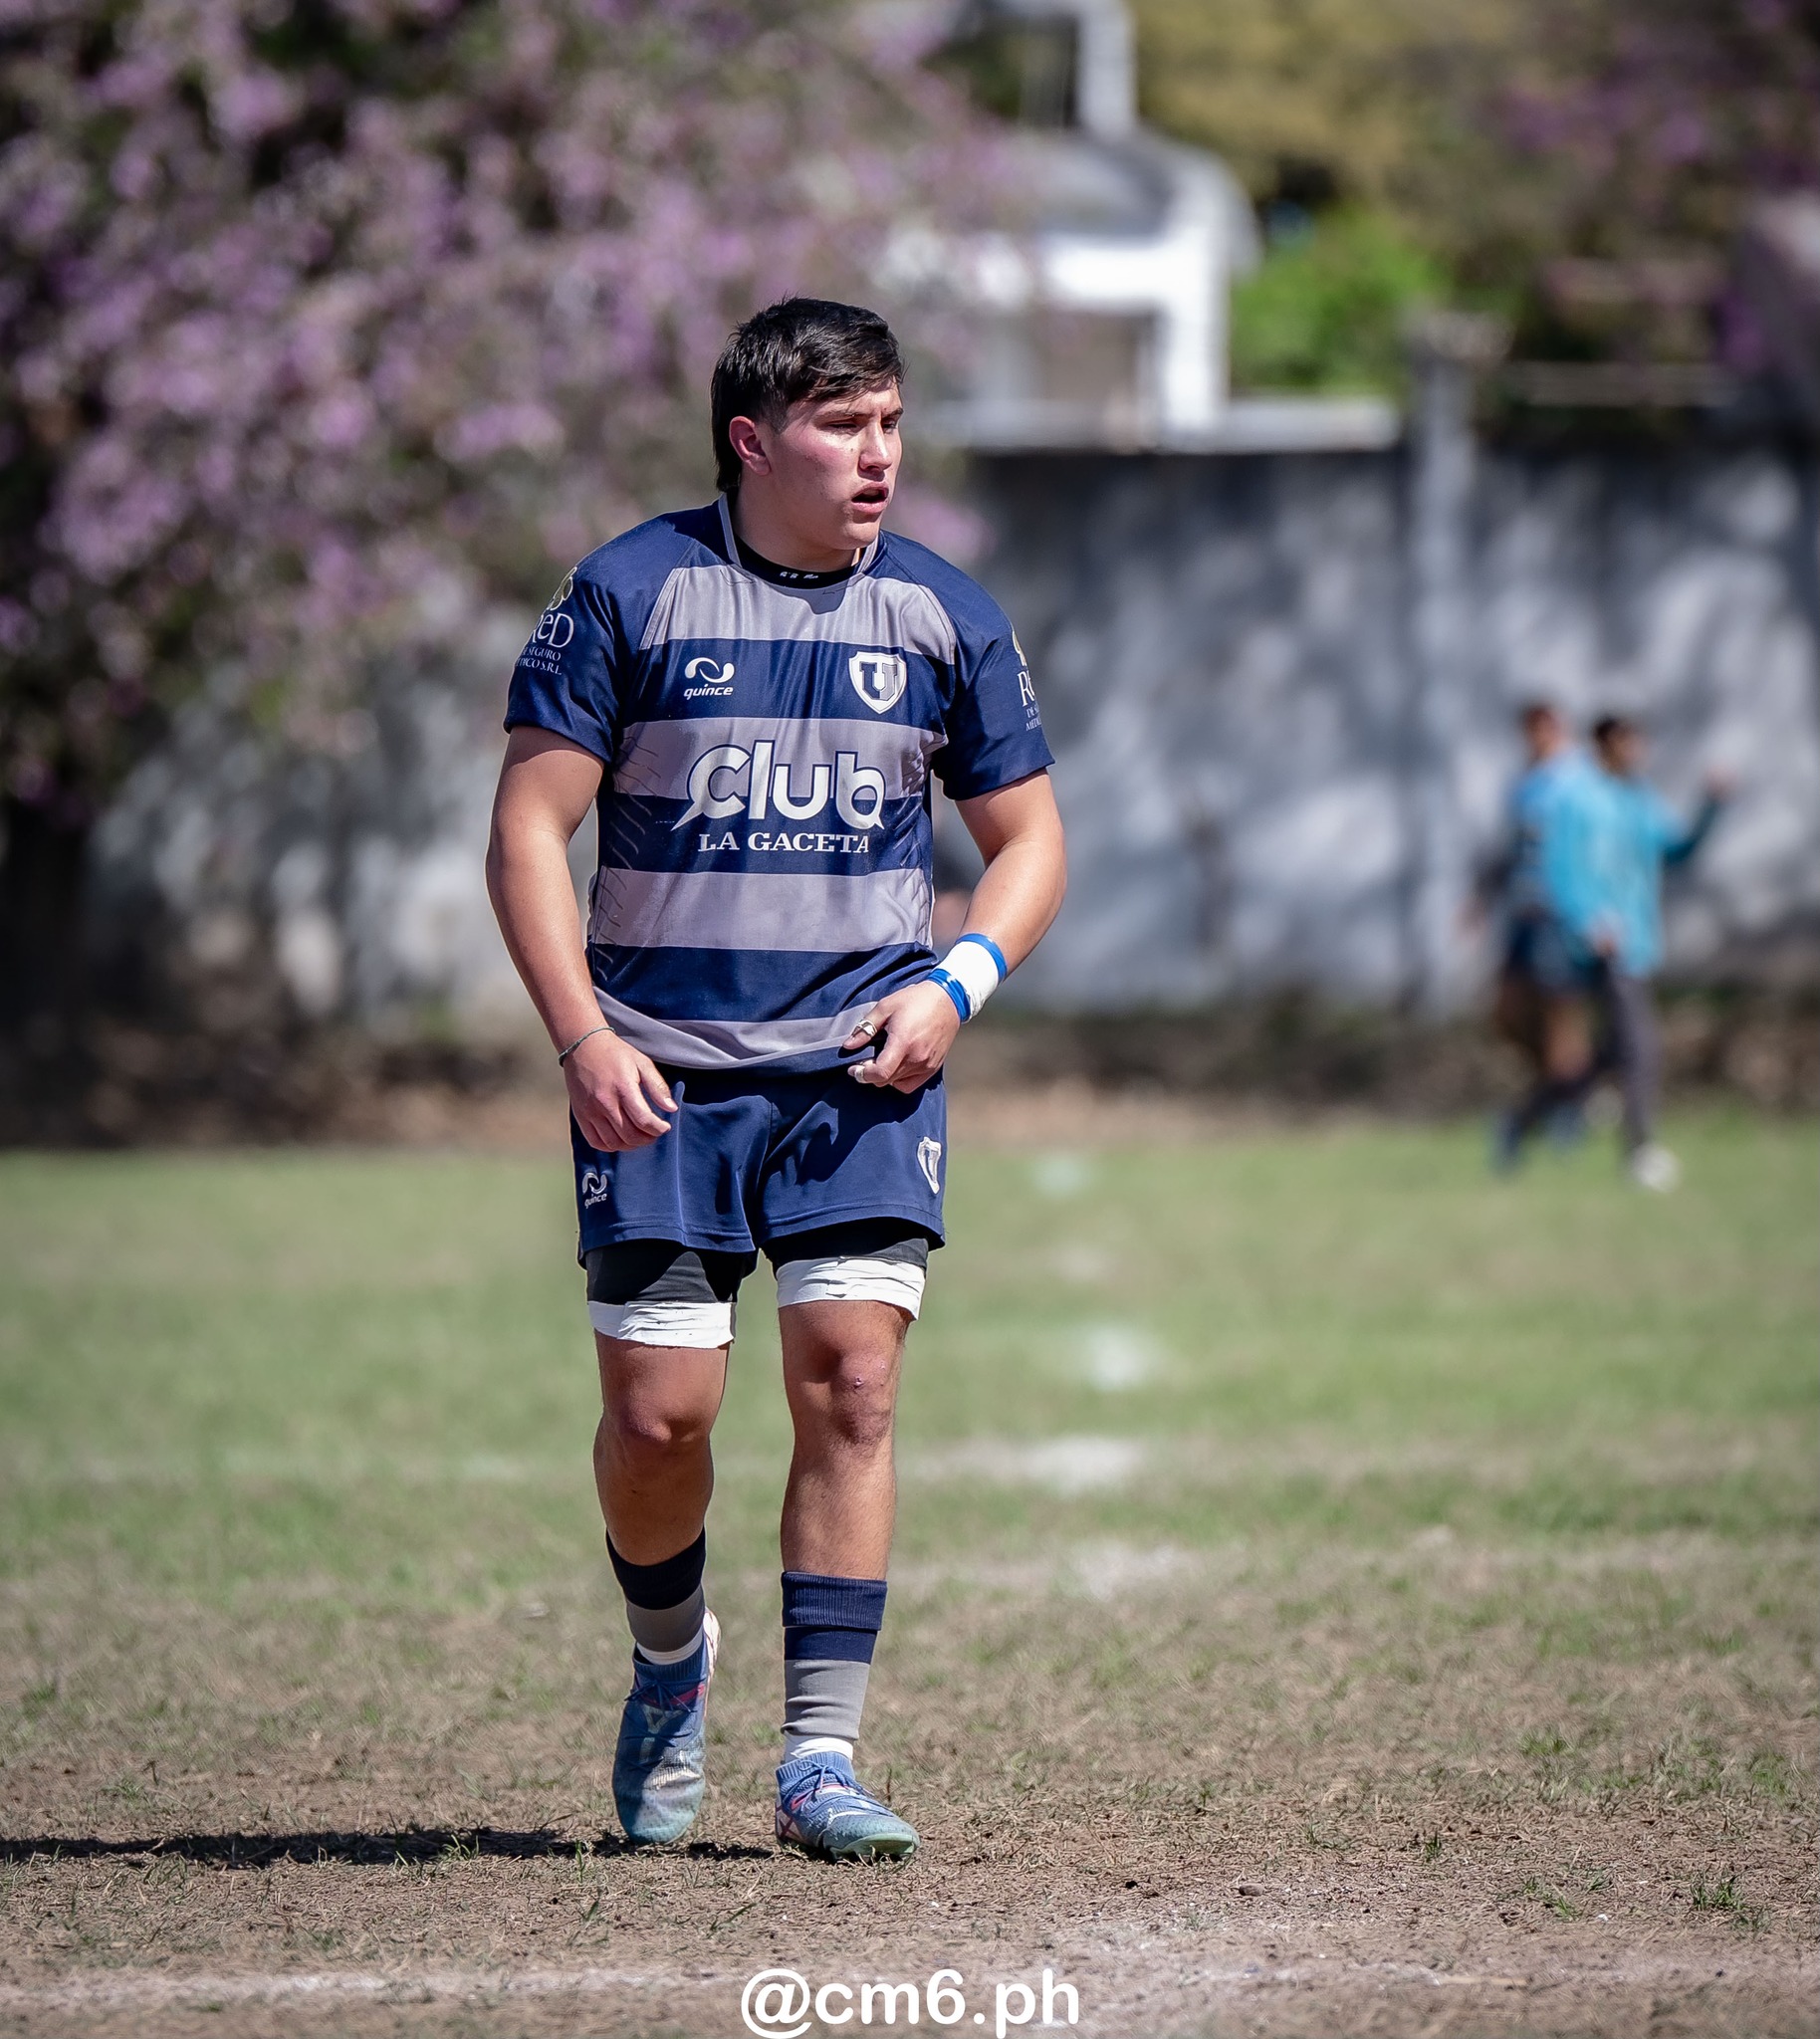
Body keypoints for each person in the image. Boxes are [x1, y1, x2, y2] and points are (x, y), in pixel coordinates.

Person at [485, 298, 1066, 1862]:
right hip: (660, 1079)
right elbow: (528, 829)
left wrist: (957, 983)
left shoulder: (943, 614)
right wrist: (583, 1038)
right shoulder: (628, 594)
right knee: (660, 1422)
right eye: (843, 426)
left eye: (891, 424)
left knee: (853, 1387)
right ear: (753, 441)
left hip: (860, 1074)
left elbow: (1030, 843)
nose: (879, 456)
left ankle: (820, 1758)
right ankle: (670, 1660)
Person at [1583, 713, 1729, 1192]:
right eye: (1625, 742)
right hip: (1602, 945)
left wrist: (1712, 806)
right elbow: (1564, 869)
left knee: (1612, 1051)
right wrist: (1587, 920)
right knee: (1641, 1047)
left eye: (1637, 742)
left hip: (1639, 944)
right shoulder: (1582, 802)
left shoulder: (1642, 802)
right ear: (1604, 746)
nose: (1635, 751)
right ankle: (1639, 1150)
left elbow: (1679, 850)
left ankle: (1537, 1114)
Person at [1485, 701, 1612, 1170]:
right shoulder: (1525, 783)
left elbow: (1594, 849)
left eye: (1547, 726)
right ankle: (1565, 1086)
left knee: (1563, 1017)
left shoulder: (1578, 781)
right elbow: (1513, 848)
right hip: (1523, 915)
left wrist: (1597, 910)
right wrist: (1481, 897)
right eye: (1531, 728)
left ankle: (1567, 1114)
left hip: (1561, 914)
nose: (1538, 735)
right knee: (1508, 1014)